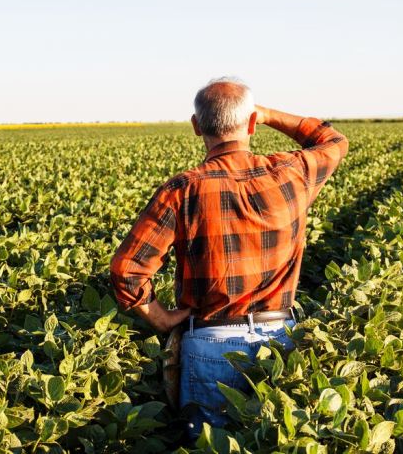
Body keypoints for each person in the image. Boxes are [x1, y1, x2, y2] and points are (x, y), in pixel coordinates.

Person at [109, 77, 349, 438]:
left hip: (209, 343)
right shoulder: (291, 172)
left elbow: (127, 270)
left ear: (196, 126)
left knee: (211, 444)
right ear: (252, 123)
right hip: (279, 340)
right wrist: (268, 115)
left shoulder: (182, 189)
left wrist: (161, 318)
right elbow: (333, 141)